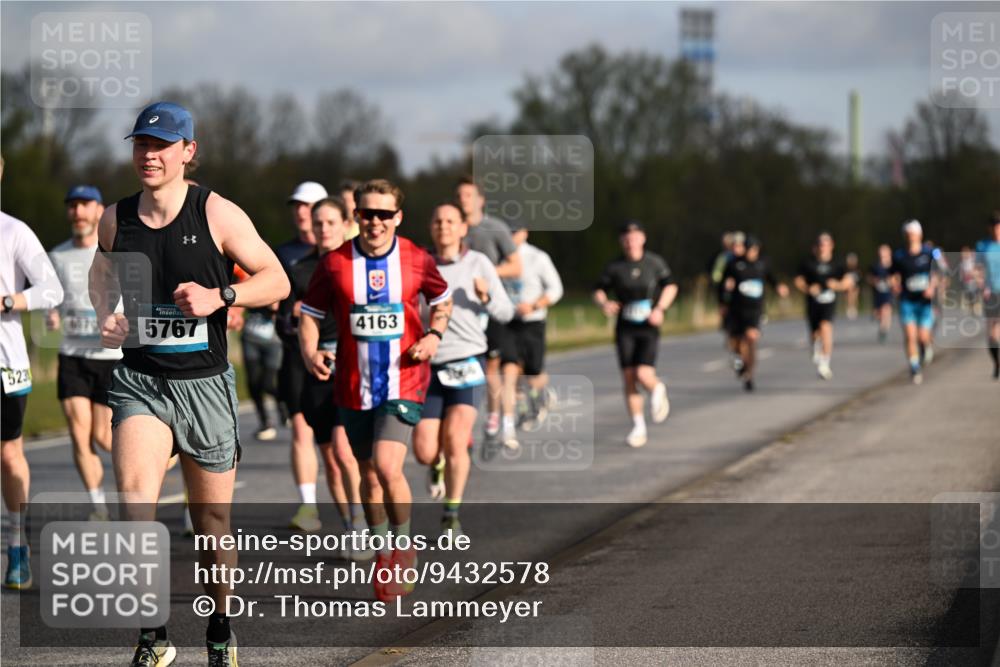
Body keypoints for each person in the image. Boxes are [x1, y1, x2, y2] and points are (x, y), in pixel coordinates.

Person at [90, 101, 289, 666]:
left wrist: (222, 296)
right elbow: (100, 277)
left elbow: (276, 280)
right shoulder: (115, 218)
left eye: (160, 145)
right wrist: (108, 315)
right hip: (140, 381)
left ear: (187, 151)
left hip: (204, 386)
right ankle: (154, 636)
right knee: (135, 504)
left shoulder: (217, 213)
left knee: (212, 526)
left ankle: (220, 627)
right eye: (140, 145)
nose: (148, 155)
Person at [299, 179, 452, 602]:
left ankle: (403, 549)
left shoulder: (416, 259)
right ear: (357, 217)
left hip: (404, 378)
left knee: (387, 466)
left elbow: (442, 300)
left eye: (385, 214)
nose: (376, 222)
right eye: (368, 213)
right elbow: (309, 314)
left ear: (398, 218)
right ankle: (383, 546)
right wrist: (310, 350)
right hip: (352, 385)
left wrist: (435, 335)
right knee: (367, 474)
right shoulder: (333, 264)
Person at [413, 203, 513, 534]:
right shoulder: (419, 262)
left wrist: (485, 297)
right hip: (427, 364)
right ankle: (436, 465)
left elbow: (505, 312)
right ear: (431, 227)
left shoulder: (478, 263)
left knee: (456, 440)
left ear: (462, 229)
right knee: (425, 451)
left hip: (467, 361)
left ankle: (450, 516)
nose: (443, 226)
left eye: (450, 221)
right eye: (438, 220)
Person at [287, 197, 370, 559]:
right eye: (317, 223)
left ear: (344, 223)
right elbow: (284, 321)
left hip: (352, 364)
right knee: (330, 460)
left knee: (343, 449)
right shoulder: (300, 269)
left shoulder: (358, 262)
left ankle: (365, 521)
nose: (323, 229)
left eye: (330, 222)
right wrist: (293, 319)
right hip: (315, 367)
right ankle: (351, 524)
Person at [1, 161, 64, 590]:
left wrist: (10, 301)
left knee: (8, 455)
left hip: (5, 362)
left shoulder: (14, 231)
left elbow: (52, 289)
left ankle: (17, 543)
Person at [47, 185, 121, 522]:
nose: (77, 212)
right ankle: (99, 508)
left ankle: (166, 459)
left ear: (99, 210)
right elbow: (52, 298)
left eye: (84, 205)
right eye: (72, 205)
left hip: (110, 357)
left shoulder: (114, 252)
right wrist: (52, 312)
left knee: (104, 437)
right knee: (79, 433)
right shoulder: (56, 256)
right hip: (73, 354)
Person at [593, 220, 676, 448]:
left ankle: (657, 388)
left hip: (648, 325)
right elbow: (599, 290)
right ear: (622, 241)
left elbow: (670, 286)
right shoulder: (615, 267)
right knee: (629, 377)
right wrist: (605, 304)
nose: (631, 242)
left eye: (635, 237)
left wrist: (660, 309)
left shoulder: (654, 263)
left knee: (643, 373)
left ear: (643, 238)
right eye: (626, 239)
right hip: (625, 326)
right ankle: (638, 426)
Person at [276, 181, 328, 532]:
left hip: (336, 354)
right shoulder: (285, 254)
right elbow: (277, 306)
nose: (300, 212)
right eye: (296, 205)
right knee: (300, 428)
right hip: (295, 353)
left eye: (307, 205)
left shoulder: (344, 255)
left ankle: (356, 508)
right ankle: (308, 505)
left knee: (336, 443)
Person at [455, 177, 521, 441]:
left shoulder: (495, 228)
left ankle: (499, 417)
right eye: (459, 196)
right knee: (477, 367)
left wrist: (487, 273)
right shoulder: (453, 228)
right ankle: (471, 419)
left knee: (493, 365)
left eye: (468, 195)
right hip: (461, 309)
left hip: (491, 306)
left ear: (481, 200)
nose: (463, 200)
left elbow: (516, 266)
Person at [499, 221, 563, 444]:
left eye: (515, 232)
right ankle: (508, 427)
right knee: (509, 372)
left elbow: (556, 289)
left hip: (533, 321)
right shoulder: (497, 256)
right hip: (507, 322)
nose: (511, 236)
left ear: (525, 233)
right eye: (507, 232)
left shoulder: (538, 257)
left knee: (533, 373)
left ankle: (541, 394)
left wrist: (534, 305)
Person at [721, 236, 789, 391]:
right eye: (749, 249)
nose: (752, 253)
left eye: (755, 250)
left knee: (751, 338)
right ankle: (740, 359)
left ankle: (749, 375)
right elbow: (722, 284)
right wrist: (723, 301)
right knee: (736, 342)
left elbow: (771, 277)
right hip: (736, 308)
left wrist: (779, 287)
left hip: (755, 309)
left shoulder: (762, 263)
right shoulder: (734, 264)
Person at [794, 232, 852, 380]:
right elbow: (798, 281)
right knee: (815, 333)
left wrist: (837, 285)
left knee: (826, 328)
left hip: (829, 302)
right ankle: (815, 344)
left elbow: (848, 282)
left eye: (826, 245)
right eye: (821, 245)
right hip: (813, 303)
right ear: (816, 247)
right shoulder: (808, 262)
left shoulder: (838, 263)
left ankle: (825, 364)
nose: (823, 248)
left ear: (831, 246)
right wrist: (808, 288)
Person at [889, 219, 939, 384]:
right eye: (908, 235)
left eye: (914, 234)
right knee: (910, 336)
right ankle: (914, 366)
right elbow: (893, 275)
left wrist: (931, 287)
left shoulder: (929, 253)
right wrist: (895, 285)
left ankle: (925, 348)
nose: (911, 237)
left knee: (923, 337)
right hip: (907, 301)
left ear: (920, 235)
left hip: (924, 301)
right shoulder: (899, 256)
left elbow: (937, 274)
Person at [975, 213, 1000, 379]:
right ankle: (997, 362)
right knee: (991, 334)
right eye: (994, 227)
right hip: (990, 292)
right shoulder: (983, 246)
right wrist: (982, 285)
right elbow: (978, 269)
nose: (997, 230)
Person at [868, 244, 895, 344]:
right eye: (881, 252)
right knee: (879, 313)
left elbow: (897, 278)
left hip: (888, 293)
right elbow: (869, 278)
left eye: (884, 252)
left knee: (886, 310)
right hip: (878, 293)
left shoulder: (893, 266)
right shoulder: (875, 267)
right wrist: (874, 281)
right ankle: (880, 321)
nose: (882, 254)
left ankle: (884, 330)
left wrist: (892, 281)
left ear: (889, 253)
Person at [844, 252, 861, 320]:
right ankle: (849, 308)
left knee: (855, 297)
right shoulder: (846, 270)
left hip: (855, 286)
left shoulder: (857, 269)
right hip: (847, 287)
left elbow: (858, 278)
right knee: (848, 297)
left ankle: (854, 309)